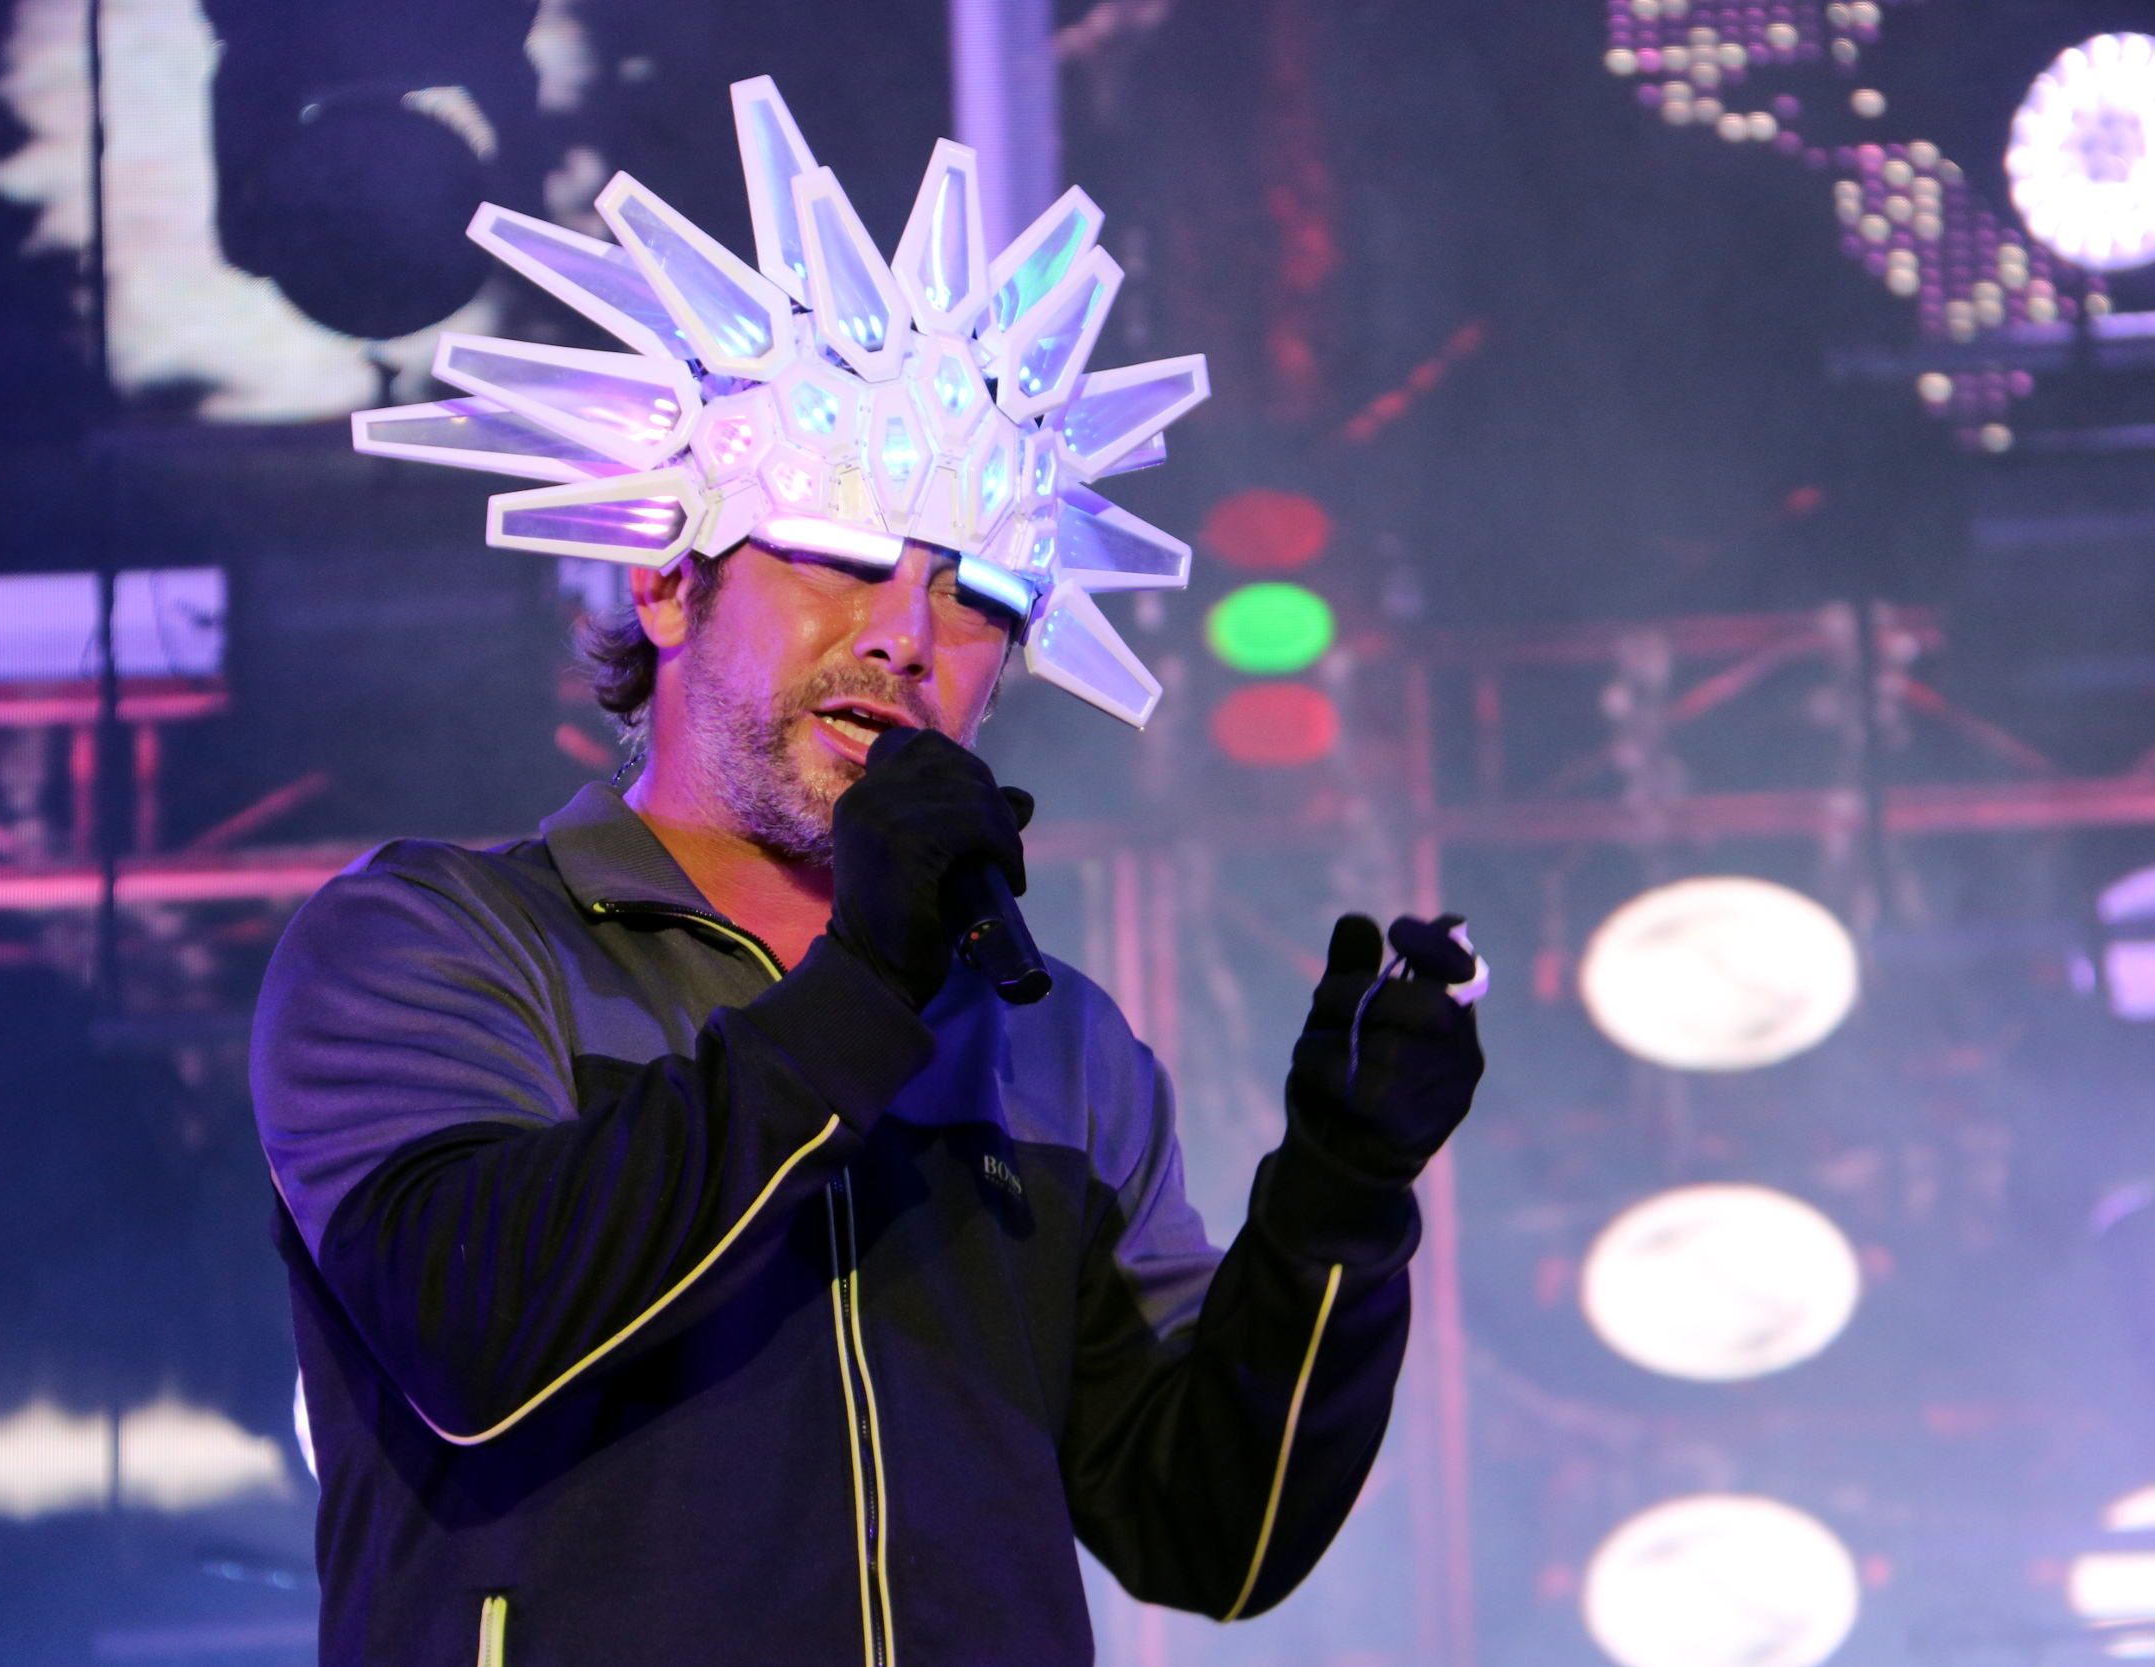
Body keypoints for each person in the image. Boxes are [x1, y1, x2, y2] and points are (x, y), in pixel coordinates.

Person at [254, 76, 1488, 1667]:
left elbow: (1212, 1539)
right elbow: (470, 1333)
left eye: (976, 594)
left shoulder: (1052, 1043)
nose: (906, 635)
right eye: (838, 555)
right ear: (666, 581)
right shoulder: (437, 943)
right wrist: (862, 999)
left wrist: (1341, 1195)